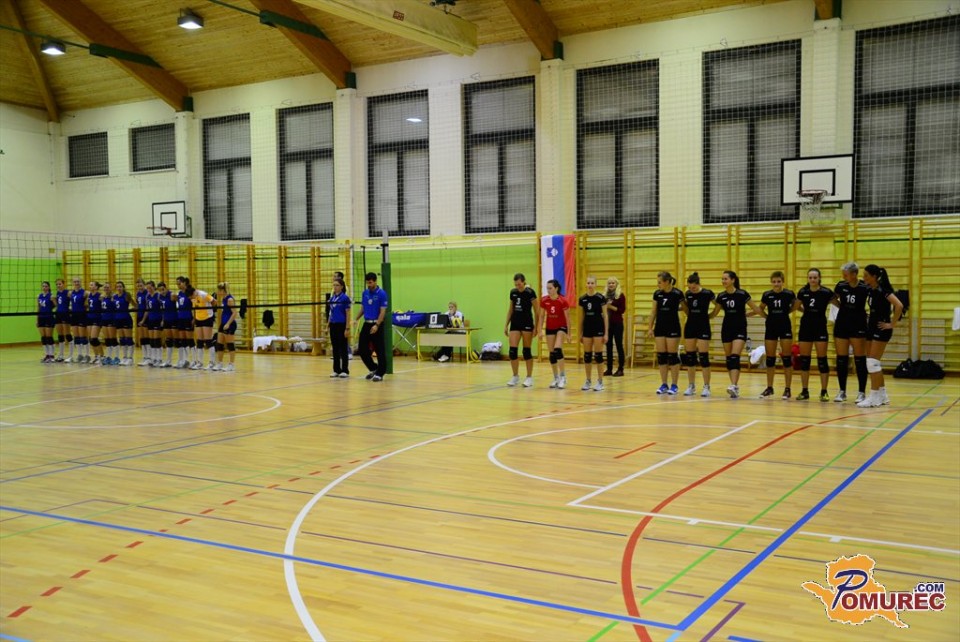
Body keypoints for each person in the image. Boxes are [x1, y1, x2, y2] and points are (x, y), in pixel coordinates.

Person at [857, 265, 904, 408]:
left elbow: (899, 306)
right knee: (873, 363)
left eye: (866, 275)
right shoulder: (871, 289)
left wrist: (892, 324)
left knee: (872, 363)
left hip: (881, 328)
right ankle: (883, 395)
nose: (864, 278)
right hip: (871, 327)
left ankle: (874, 397)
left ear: (874, 277)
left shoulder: (884, 290)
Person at [712, 270, 763, 398]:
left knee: (735, 356)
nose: (723, 281)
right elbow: (714, 313)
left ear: (733, 280)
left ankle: (734, 385)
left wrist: (767, 317)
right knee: (729, 359)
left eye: (725, 279)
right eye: (722, 279)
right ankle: (733, 386)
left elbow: (756, 308)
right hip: (726, 328)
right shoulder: (721, 296)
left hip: (739, 328)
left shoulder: (742, 294)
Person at [832, 262, 870, 403]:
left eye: (846, 274)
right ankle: (842, 391)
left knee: (860, 359)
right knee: (842, 358)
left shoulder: (864, 287)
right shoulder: (841, 285)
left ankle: (861, 392)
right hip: (842, 323)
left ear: (854, 274)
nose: (844, 277)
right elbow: (832, 298)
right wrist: (841, 306)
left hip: (858, 324)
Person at [795, 268, 835, 401]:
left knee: (822, 360)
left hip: (820, 328)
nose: (812, 280)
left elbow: (838, 304)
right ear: (808, 279)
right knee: (805, 360)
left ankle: (824, 391)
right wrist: (806, 311)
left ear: (819, 278)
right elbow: (796, 306)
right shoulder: (803, 292)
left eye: (815, 277)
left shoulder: (826, 292)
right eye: (810, 277)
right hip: (806, 327)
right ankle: (804, 391)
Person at [758, 271, 796, 399]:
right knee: (770, 359)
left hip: (785, 326)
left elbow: (796, 305)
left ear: (783, 282)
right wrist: (767, 317)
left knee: (786, 358)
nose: (776, 284)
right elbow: (760, 308)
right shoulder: (767, 295)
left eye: (779, 281)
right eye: (774, 281)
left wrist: (786, 312)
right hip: (771, 327)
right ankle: (769, 388)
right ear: (771, 282)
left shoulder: (789, 294)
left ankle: (787, 389)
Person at [647, 271, 685, 395]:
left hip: (673, 327)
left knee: (672, 356)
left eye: (660, 282)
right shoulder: (657, 294)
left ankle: (674, 385)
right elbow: (653, 312)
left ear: (667, 282)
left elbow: (685, 308)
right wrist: (650, 328)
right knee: (661, 356)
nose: (658, 285)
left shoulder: (677, 293)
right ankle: (664, 384)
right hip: (660, 327)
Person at [682, 272, 716, 397]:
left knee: (703, 357)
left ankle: (706, 386)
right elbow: (686, 309)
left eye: (694, 287)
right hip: (690, 326)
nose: (692, 289)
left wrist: (711, 315)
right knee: (690, 357)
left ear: (698, 284)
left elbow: (718, 305)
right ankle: (691, 385)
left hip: (703, 327)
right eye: (690, 287)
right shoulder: (688, 294)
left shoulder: (707, 293)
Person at [504, 273, 539, 387]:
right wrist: (506, 325)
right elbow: (510, 310)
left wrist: (536, 327)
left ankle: (529, 377)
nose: (517, 286)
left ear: (524, 282)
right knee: (512, 351)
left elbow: (537, 311)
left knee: (526, 351)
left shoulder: (530, 293)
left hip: (527, 323)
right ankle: (515, 376)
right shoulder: (513, 292)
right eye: (516, 284)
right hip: (515, 323)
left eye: (519, 284)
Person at [355, 272, 388, 381]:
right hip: (367, 323)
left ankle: (380, 373)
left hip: (377, 324)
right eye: (367, 283)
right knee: (362, 349)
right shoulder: (365, 293)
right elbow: (363, 308)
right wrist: (356, 319)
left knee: (379, 350)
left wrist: (377, 325)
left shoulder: (381, 294)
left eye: (370, 282)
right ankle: (373, 368)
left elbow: (383, 311)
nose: (368, 285)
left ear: (375, 281)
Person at [538, 280, 571, 389]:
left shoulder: (562, 301)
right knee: (552, 354)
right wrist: (539, 330)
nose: (548, 290)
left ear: (556, 288)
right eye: (547, 288)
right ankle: (556, 378)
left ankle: (563, 377)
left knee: (557, 350)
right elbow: (541, 316)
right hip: (550, 328)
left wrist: (569, 334)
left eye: (550, 288)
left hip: (561, 327)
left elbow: (568, 318)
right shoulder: (544, 300)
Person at [579, 276, 608, 391]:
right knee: (587, 356)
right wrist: (580, 332)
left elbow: (605, 316)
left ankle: (600, 381)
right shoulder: (582, 299)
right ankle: (588, 380)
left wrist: (606, 333)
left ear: (596, 284)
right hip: (587, 329)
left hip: (598, 328)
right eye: (588, 283)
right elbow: (581, 317)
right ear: (586, 284)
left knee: (598, 355)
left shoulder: (600, 298)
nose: (590, 285)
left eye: (592, 283)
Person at [328, 277, 351, 377]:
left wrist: (347, 328)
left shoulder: (345, 298)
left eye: (337, 285)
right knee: (335, 348)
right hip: (333, 325)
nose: (335, 287)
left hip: (342, 325)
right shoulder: (332, 298)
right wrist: (328, 325)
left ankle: (345, 370)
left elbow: (348, 313)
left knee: (343, 348)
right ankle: (336, 370)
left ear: (342, 287)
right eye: (334, 285)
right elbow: (331, 313)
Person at [603, 277, 626, 377]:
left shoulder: (620, 296)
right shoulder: (604, 296)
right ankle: (609, 369)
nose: (611, 285)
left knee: (619, 345)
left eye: (613, 283)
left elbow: (622, 310)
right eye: (609, 283)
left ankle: (620, 369)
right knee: (608, 346)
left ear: (616, 284)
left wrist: (610, 306)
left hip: (617, 323)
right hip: (608, 324)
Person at [214, 282, 238, 372]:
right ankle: (219, 363)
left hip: (230, 324)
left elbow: (234, 313)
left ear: (223, 290)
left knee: (230, 345)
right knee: (219, 344)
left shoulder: (229, 299)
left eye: (218, 290)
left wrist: (228, 324)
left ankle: (231, 365)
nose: (217, 292)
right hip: (223, 324)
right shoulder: (223, 299)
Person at [191, 286, 216, 370]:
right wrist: (194, 318)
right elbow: (195, 308)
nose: (191, 298)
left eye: (191, 296)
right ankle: (200, 363)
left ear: (194, 292)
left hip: (207, 318)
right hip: (198, 319)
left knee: (208, 341)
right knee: (199, 341)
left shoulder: (203, 294)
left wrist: (210, 311)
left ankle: (212, 363)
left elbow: (214, 302)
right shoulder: (192, 297)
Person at [175, 276, 194, 368]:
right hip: (180, 318)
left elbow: (195, 305)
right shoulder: (179, 293)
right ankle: (186, 360)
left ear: (184, 283)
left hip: (188, 318)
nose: (178, 285)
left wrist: (194, 318)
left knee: (190, 340)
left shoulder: (189, 292)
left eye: (179, 283)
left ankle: (194, 360)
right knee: (183, 340)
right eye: (177, 284)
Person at [114, 281, 135, 365]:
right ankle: (125, 357)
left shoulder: (126, 295)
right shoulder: (114, 297)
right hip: (118, 319)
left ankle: (130, 358)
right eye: (117, 287)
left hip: (126, 318)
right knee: (122, 339)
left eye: (120, 286)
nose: (119, 288)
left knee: (128, 339)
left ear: (123, 287)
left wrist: (129, 310)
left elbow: (135, 305)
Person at [68, 278, 88, 363]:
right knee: (76, 337)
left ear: (81, 282)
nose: (76, 283)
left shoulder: (85, 292)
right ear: (73, 283)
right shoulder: (70, 293)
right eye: (75, 282)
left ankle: (87, 355)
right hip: (74, 315)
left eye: (78, 281)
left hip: (82, 315)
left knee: (83, 337)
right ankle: (80, 354)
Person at [98, 282, 117, 365]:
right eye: (105, 287)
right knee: (107, 340)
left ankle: (116, 357)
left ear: (111, 288)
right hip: (104, 319)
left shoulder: (114, 296)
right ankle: (109, 357)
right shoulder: (102, 297)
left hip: (112, 319)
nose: (106, 289)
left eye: (108, 287)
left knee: (113, 339)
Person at [37, 281, 56, 362]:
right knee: (43, 338)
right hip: (41, 318)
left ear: (49, 287)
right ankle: (47, 355)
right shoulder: (39, 296)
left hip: (49, 317)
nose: (44, 287)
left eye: (46, 286)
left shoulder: (51, 296)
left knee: (49, 337)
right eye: (43, 286)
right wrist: (37, 319)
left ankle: (52, 355)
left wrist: (53, 300)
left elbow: (56, 305)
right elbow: (38, 308)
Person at [54, 278, 71, 362]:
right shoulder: (57, 293)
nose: (58, 285)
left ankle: (71, 355)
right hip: (58, 314)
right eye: (57, 284)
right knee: (60, 336)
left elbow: (73, 302)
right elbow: (58, 305)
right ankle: (61, 355)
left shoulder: (67, 292)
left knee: (67, 335)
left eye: (60, 284)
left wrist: (70, 309)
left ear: (64, 284)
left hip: (65, 314)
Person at [87, 281, 103, 364]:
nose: (90, 286)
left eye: (92, 285)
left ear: (96, 287)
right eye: (90, 285)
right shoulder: (89, 295)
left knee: (94, 339)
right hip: (89, 318)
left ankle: (102, 356)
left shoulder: (100, 296)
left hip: (97, 318)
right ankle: (96, 356)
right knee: (90, 339)